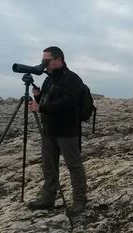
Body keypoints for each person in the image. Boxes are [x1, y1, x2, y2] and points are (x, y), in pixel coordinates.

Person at [28, 46, 87, 216]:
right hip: (49, 130)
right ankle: (48, 199)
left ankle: (79, 201)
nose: (44, 64)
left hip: (67, 130)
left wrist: (42, 107)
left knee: (74, 166)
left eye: (47, 60)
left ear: (59, 60)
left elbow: (67, 103)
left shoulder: (72, 79)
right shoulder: (49, 80)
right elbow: (48, 102)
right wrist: (38, 97)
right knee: (49, 166)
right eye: (43, 60)